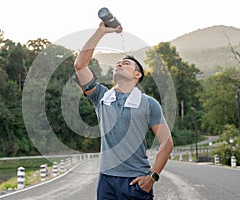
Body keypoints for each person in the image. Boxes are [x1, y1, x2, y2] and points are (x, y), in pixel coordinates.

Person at [73, 22, 173, 200]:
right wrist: (101, 32)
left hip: (136, 181)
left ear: (137, 75)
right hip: (106, 181)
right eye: (117, 63)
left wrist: (152, 177)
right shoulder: (101, 97)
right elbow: (80, 66)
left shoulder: (149, 104)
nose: (119, 64)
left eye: (125, 63)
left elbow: (167, 143)